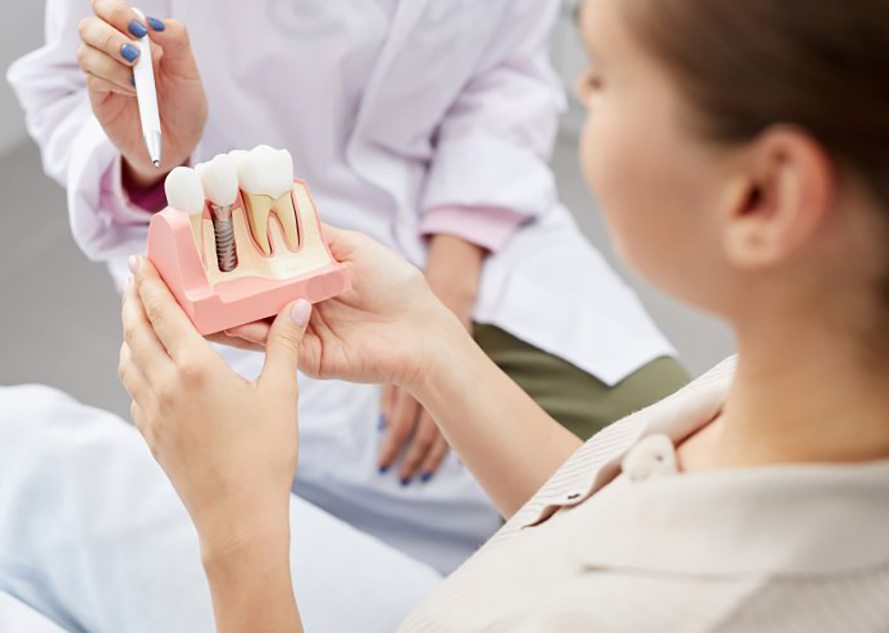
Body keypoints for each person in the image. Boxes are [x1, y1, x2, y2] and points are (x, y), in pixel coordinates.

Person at [112, 0, 889, 629]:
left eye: (601, 78)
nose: (578, 95)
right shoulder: (802, 392)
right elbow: (617, 516)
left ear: (762, 197)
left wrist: (238, 532)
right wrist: (429, 346)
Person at [7, 0, 687, 573]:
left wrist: (449, 282)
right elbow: (75, 92)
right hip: (244, 253)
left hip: (476, 229)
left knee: (665, 467)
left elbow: (507, 72)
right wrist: (152, 149)